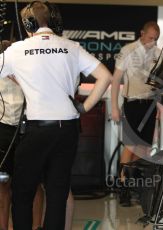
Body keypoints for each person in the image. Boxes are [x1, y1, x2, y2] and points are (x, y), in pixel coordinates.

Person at [0, 1, 112, 229]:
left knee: (22, 193)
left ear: (27, 23)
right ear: (53, 21)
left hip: (36, 130)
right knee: (57, 194)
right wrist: (84, 107)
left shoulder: (16, 50)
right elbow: (105, 77)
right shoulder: (71, 46)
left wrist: (20, 78)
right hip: (67, 129)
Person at [111, 21, 160, 207]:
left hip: (150, 104)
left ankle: (138, 188)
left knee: (145, 149)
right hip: (132, 103)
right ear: (141, 33)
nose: (152, 42)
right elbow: (115, 81)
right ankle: (123, 188)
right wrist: (114, 107)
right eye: (150, 38)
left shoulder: (158, 53)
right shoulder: (128, 50)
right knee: (130, 147)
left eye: (155, 39)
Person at [0, 40, 44, 230]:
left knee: (33, 183)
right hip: (3, 129)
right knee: (2, 184)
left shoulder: (30, 70)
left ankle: (36, 227)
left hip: (29, 128)